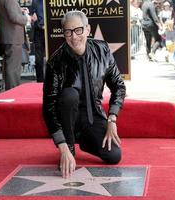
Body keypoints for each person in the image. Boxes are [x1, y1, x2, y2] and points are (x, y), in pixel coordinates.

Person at [43, 11, 126, 179]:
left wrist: (112, 118)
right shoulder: (56, 62)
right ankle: (71, 143)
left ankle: (84, 139)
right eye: (68, 32)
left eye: (78, 30)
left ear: (88, 29)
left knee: (114, 156)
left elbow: (118, 85)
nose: (74, 37)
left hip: (93, 115)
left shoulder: (102, 50)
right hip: (68, 118)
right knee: (69, 95)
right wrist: (63, 147)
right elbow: (48, 107)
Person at [0, 0, 31, 90]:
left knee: (11, 66)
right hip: (13, 37)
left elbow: (10, 13)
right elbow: (14, 17)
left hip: (10, 36)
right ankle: (13, 91)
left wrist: (19, 10)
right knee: (13, 68)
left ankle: (12, 90)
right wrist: (27, 18)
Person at [30, 0, 45, 82]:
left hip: (51, 32)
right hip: (39, 32)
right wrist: (33, 19)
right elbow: (32, 17)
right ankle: (40, 81)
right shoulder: (35, 2)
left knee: (54, 56)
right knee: (39, 59)